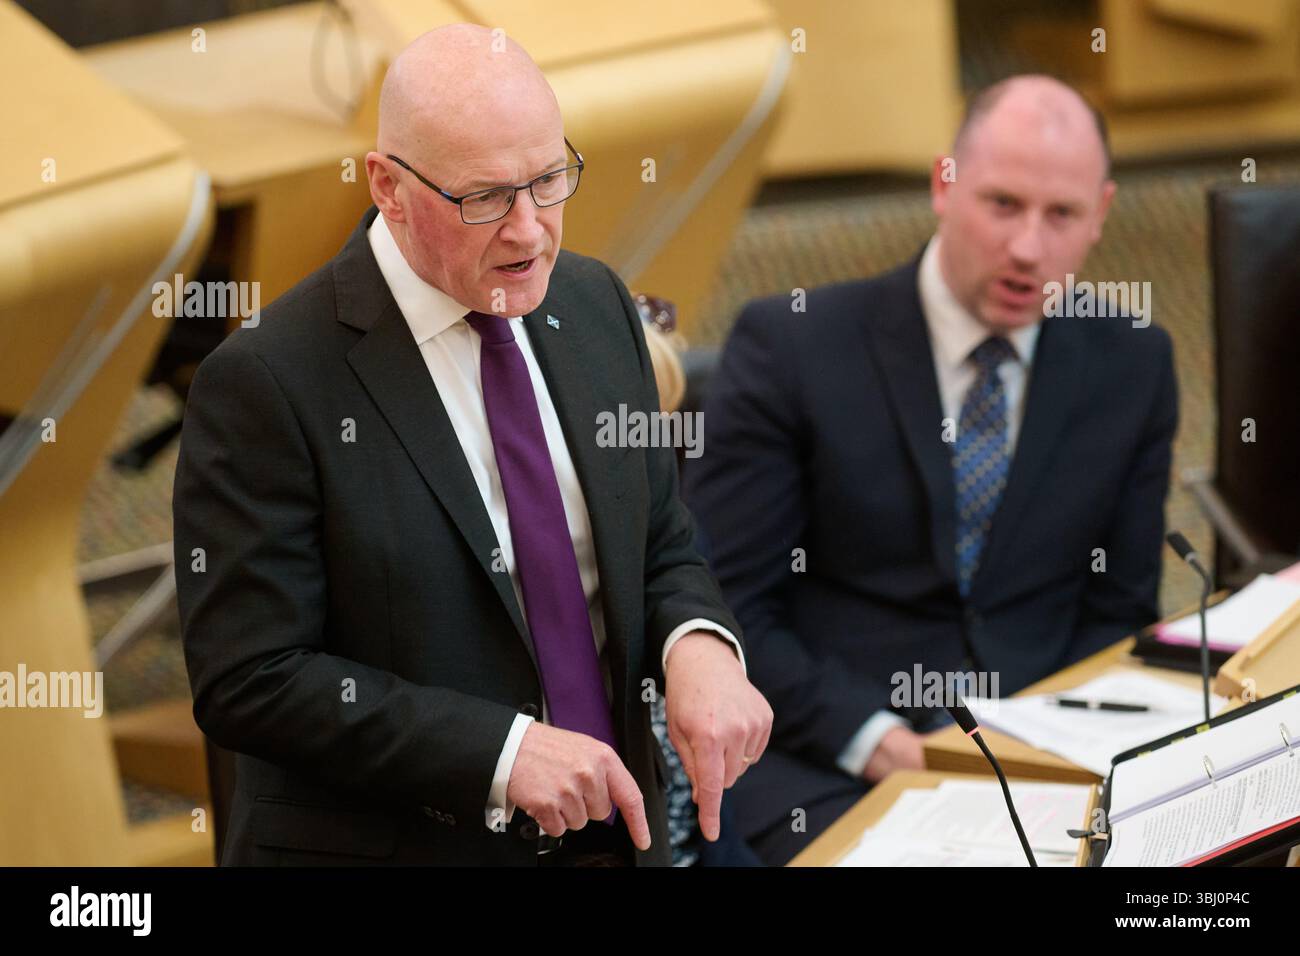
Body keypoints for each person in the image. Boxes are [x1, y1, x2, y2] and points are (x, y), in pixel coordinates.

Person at [174, 23, 771, 867]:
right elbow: (250, 676)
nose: (530, 232)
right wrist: (500, 753)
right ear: (387, 186)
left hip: (616, 837)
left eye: (549, 180)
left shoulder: (595, 302)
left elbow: (662, 540)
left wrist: (699, 643)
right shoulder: (268, 380)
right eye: (486, 198)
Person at [684, 75, 1178, 865]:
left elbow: (1117, 608)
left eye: (1062, 215)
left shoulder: (1135, 363)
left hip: (1040, 761)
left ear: (1102, 215)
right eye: (1003, 204)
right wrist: (875, 739)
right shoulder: (792, 346)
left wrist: (1042, 748)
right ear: (943, 186)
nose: (1028, 248)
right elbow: (727, 606)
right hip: (826, 756)